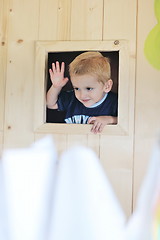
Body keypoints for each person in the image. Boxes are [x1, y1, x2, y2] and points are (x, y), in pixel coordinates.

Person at [46, 51, 118, 134]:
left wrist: (110, 119)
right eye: (77, 88)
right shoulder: (72, 98)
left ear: (107, 86)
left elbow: (130, 121)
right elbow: (50, 104)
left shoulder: (114, 102)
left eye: (89, 88)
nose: (82, 95)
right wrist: (56, 87)